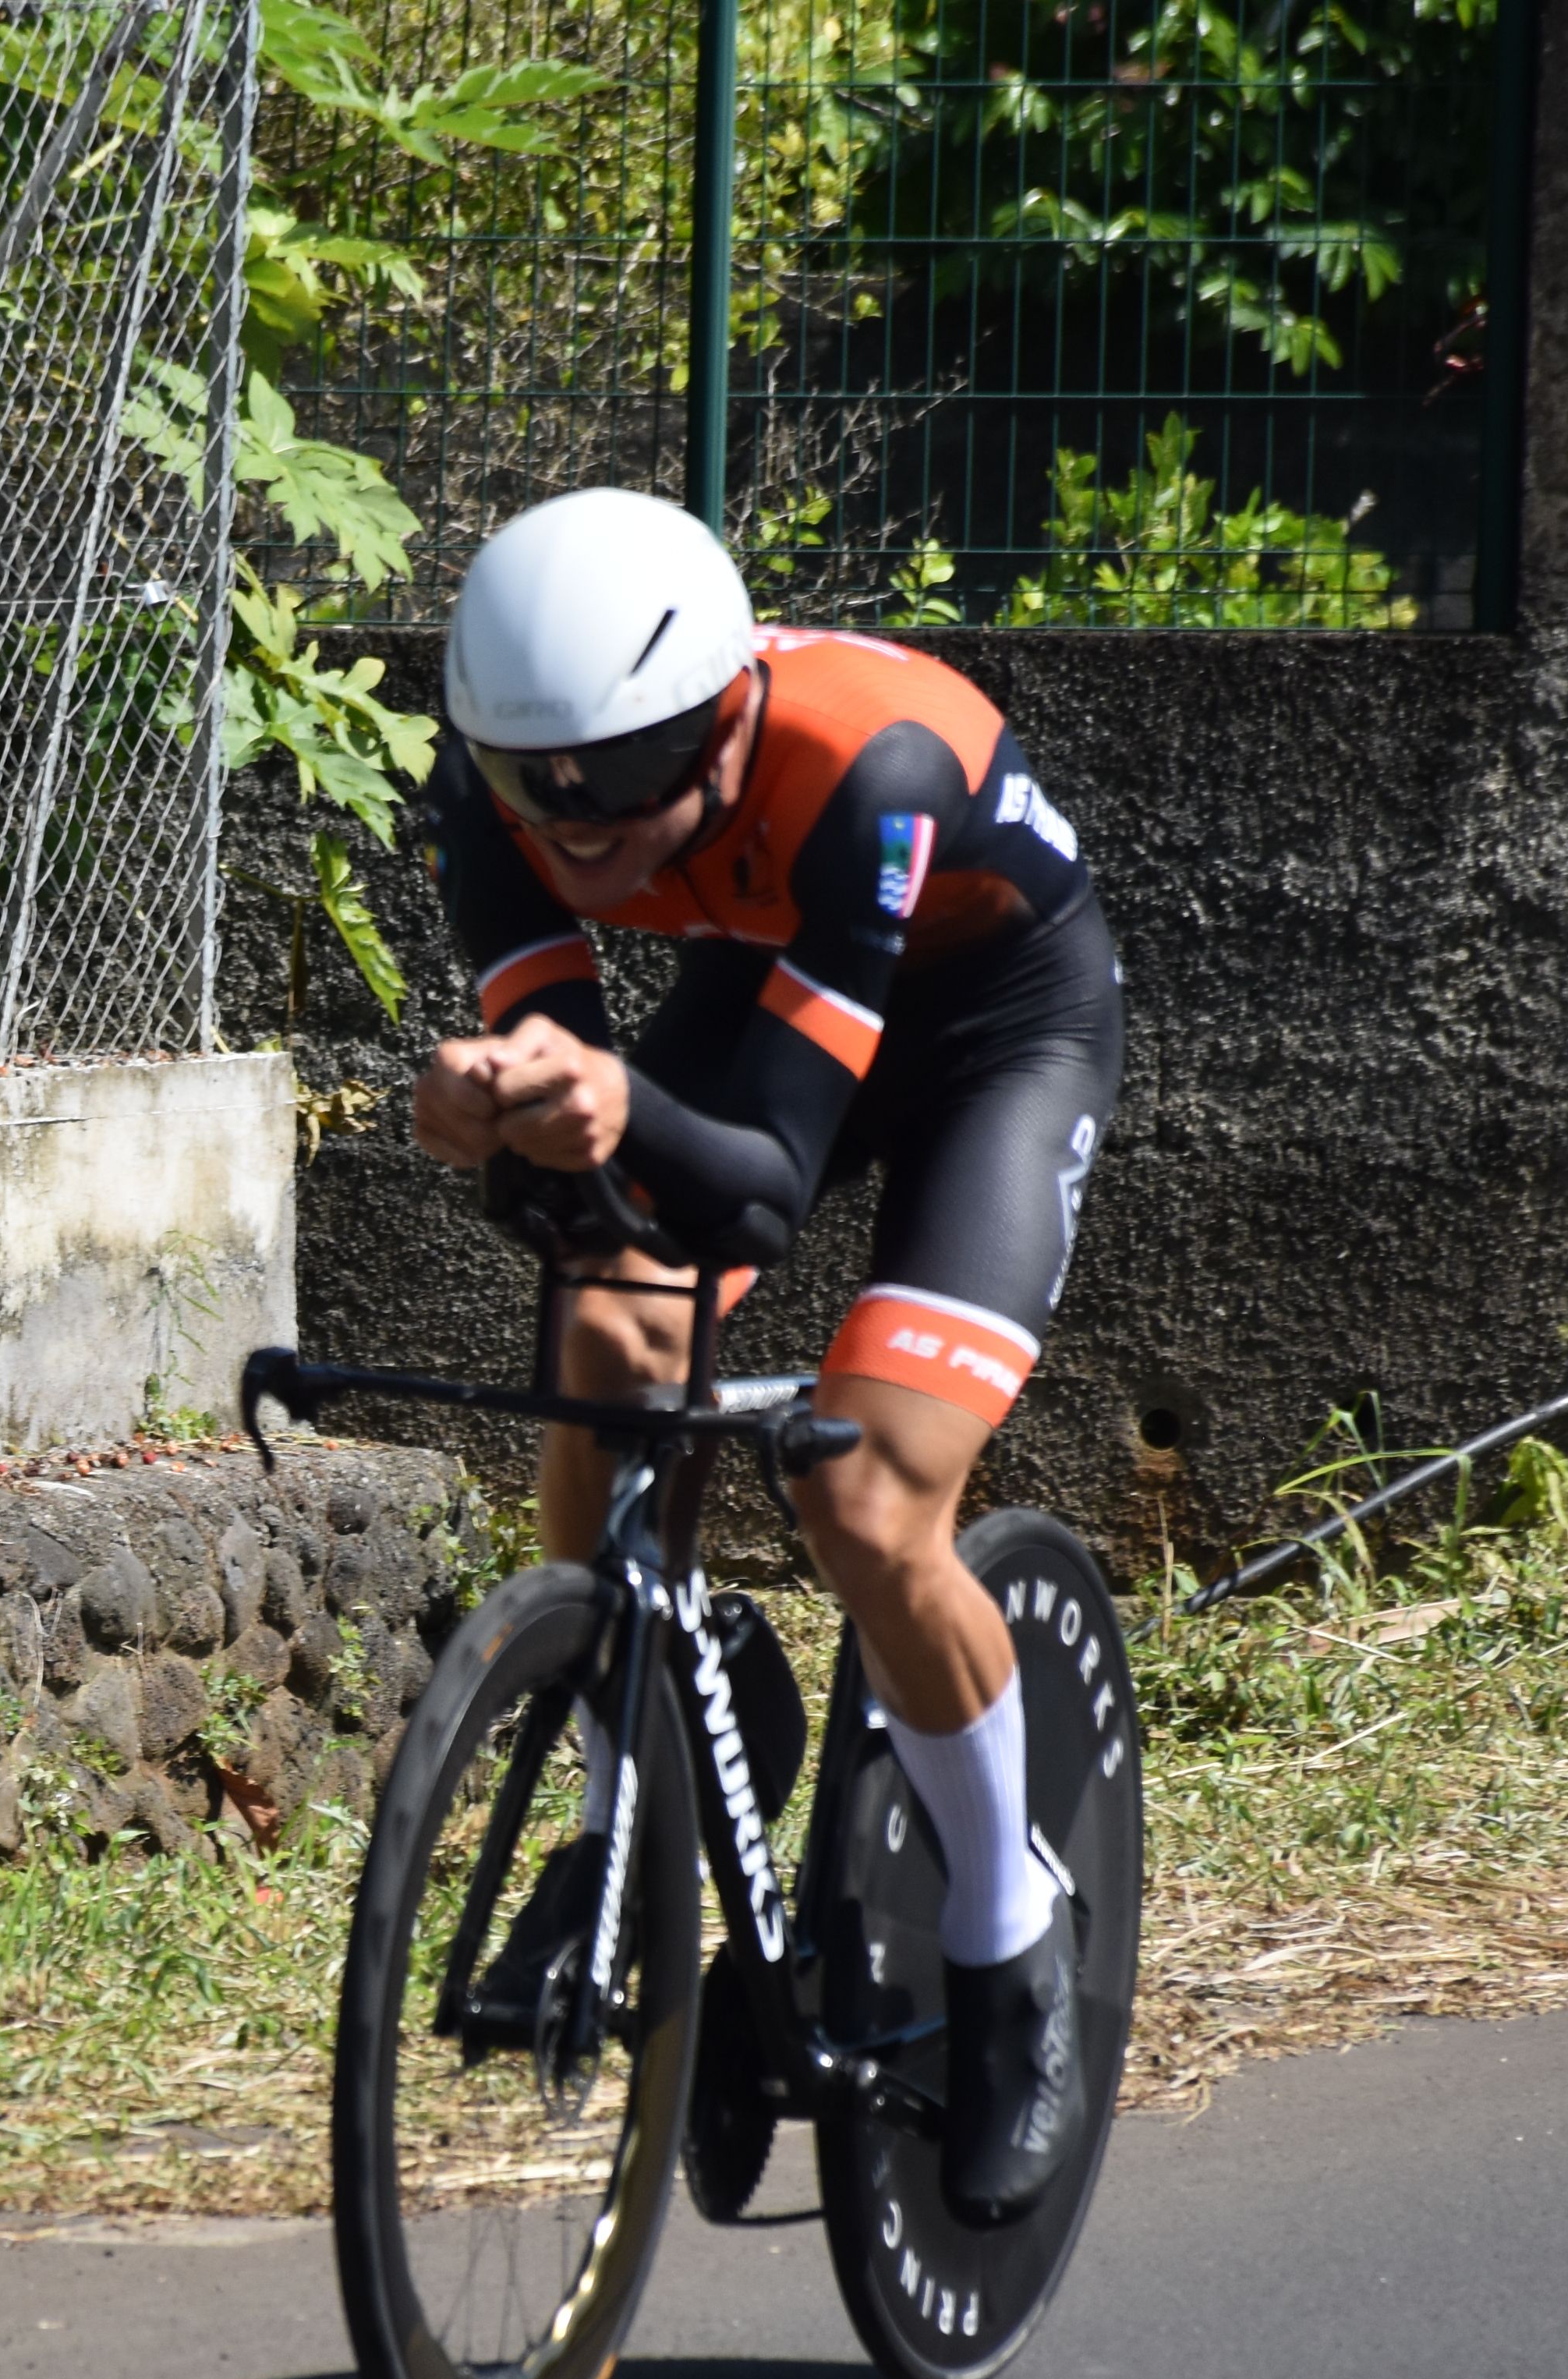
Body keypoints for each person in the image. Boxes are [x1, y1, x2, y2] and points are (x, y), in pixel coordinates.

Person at [402, 487, 1120, 2224]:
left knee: (871, 1502)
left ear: (725, 717)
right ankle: (615, 1796)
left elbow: (773, 1188)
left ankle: (1008, 1944)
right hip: (776, 976)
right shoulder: (492, 785)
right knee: (609, 1332)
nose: (579, 835)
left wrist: (600, 1100)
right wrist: (502, 1114)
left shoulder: (872, 773)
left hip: (992, 1032)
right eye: (536, 794)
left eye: (630, 778)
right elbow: (594, 1132)